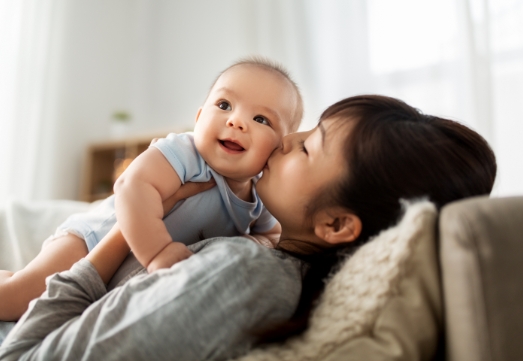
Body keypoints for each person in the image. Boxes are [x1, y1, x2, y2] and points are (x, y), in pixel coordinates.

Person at [0, 95, 496, 360]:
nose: (283, 140)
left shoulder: (241, 276)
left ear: (338, 224)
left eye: (308, 146)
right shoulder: (264, 254)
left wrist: (116, 236)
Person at [0, 57, 304, 321]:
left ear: (280, 148)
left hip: (127, 273)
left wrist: (261, 244)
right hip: (93, 239)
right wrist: (159, 250)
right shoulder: (186, 154)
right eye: (224, 105)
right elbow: (132, 186)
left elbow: (273, 235)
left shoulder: (259, 198)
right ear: (198, 119)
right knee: (21, 298)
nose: (236, 121)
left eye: (261, 119)